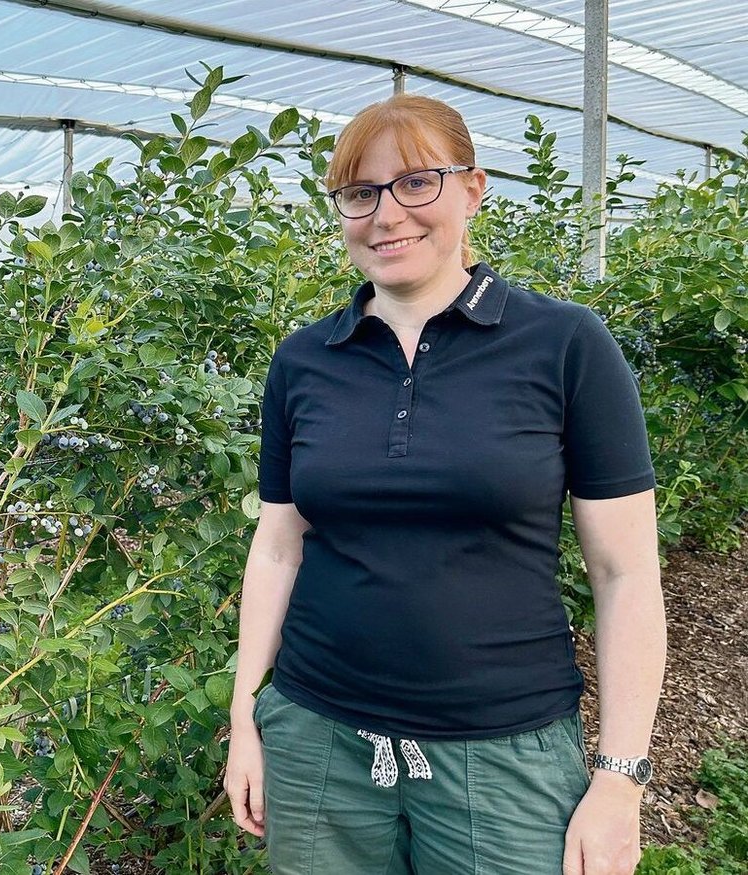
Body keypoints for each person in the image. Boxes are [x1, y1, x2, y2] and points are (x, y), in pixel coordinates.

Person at [224, 94, 665, 875]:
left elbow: (625, 574)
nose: (387, 214)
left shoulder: (564, 345)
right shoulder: (305, 361)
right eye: (360, 193)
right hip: (318, 740)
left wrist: (619, 779)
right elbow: (280, 546)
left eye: (417, 182)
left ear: (473, 189)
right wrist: (247, 716)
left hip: (503, 758)